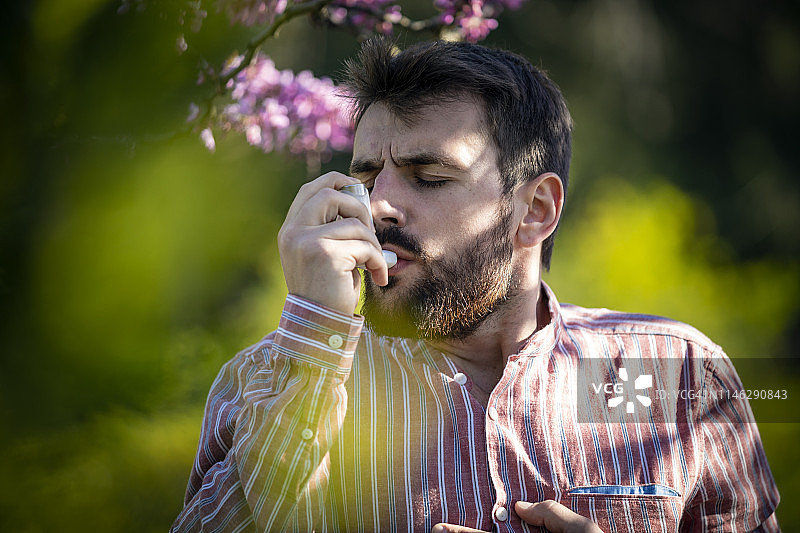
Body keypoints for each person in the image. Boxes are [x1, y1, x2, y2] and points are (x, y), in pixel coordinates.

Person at [171, 39, 780, 532]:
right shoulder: (265, 383)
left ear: (535, 209)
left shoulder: (676, 375)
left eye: (429, 175)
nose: (377, 204)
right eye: (365, 176)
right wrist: (315, 331)